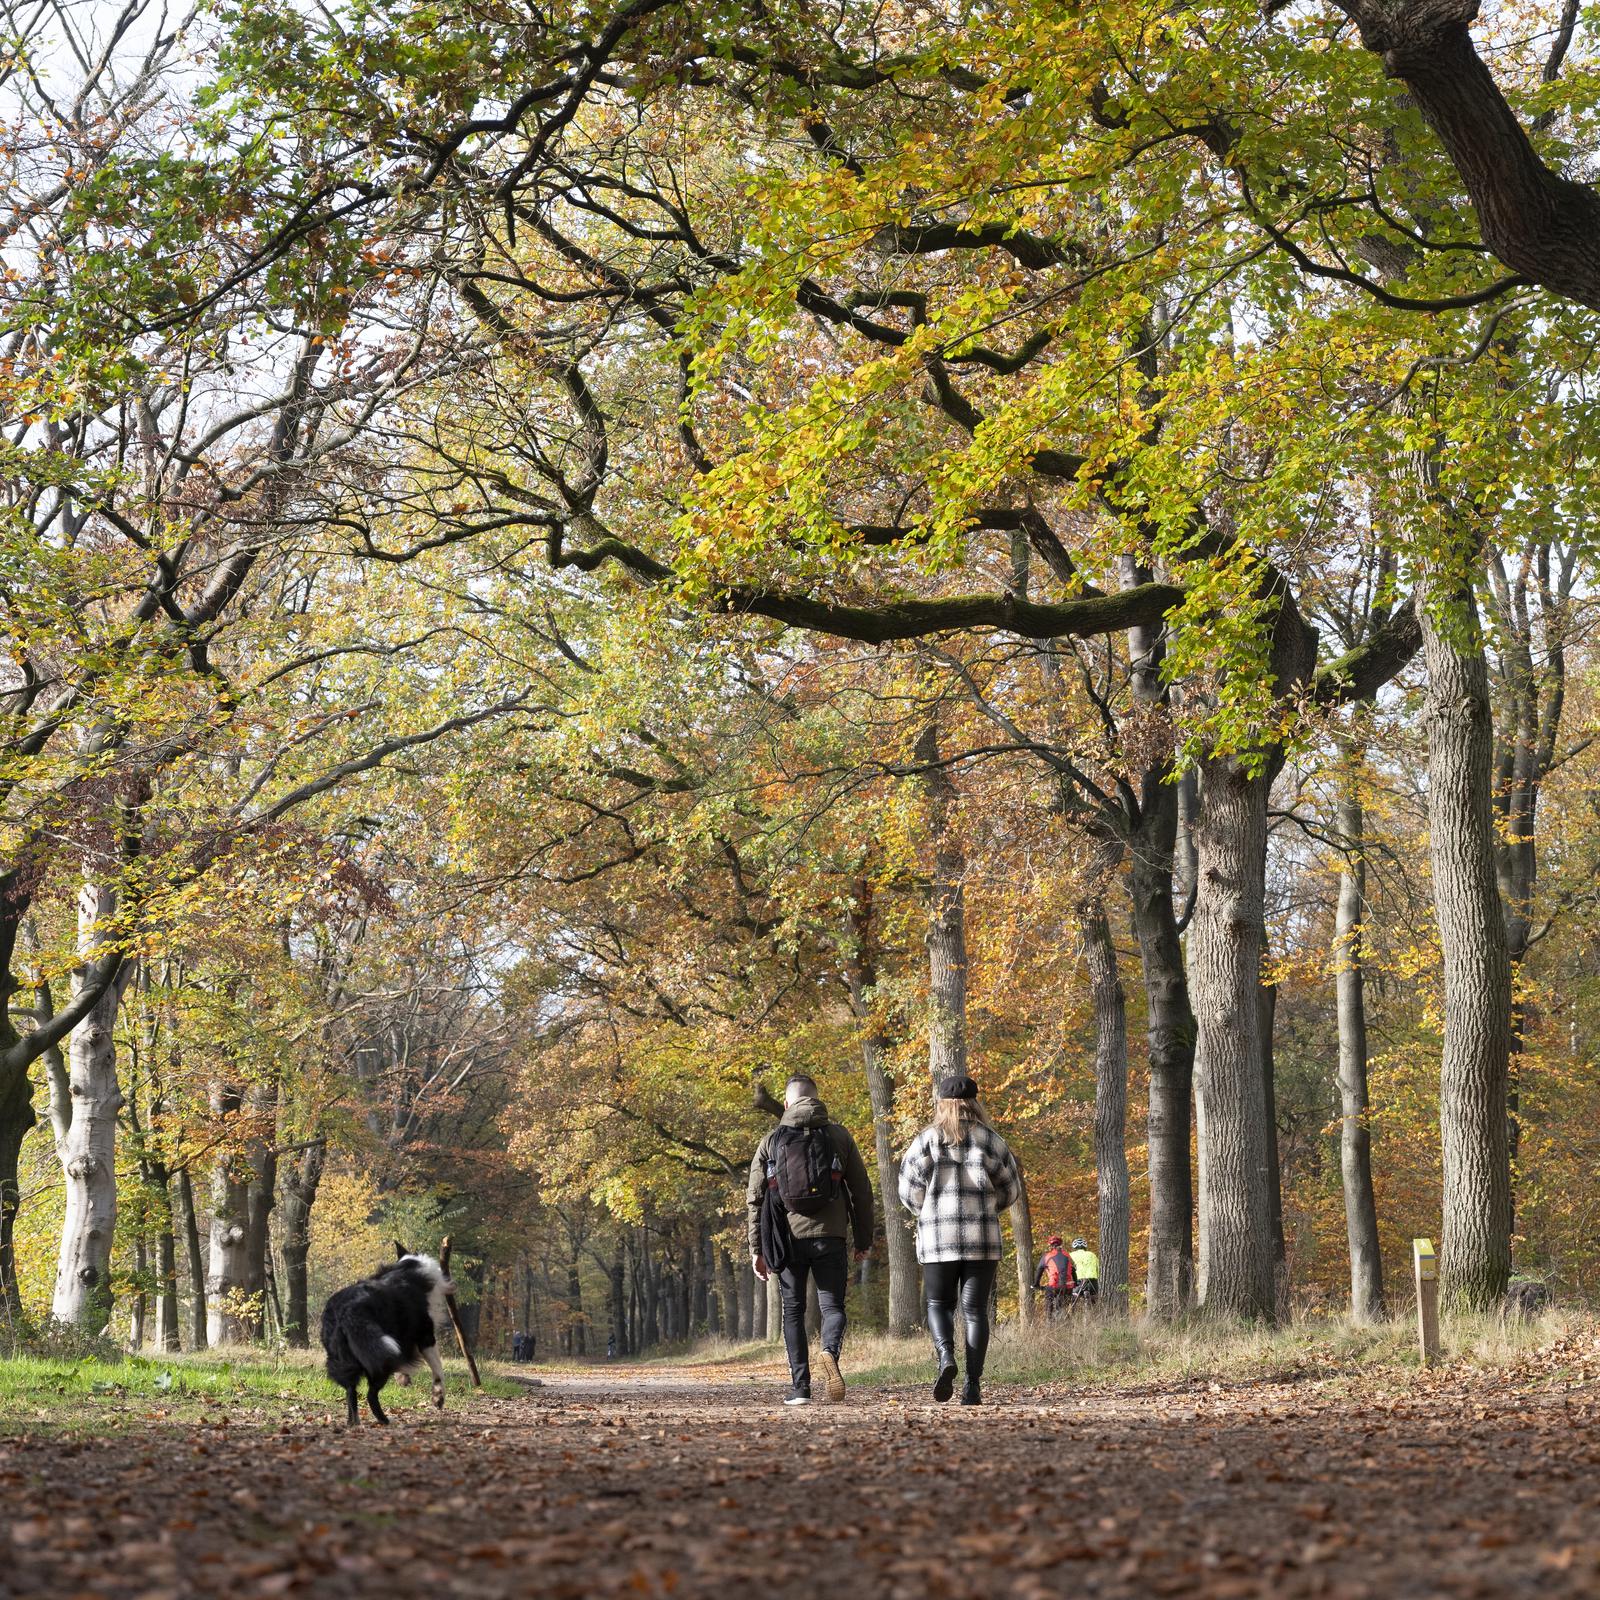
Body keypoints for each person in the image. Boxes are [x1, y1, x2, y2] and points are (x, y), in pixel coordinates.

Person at [746, 1074, 875, 1407]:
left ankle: (800, 1388)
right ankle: (829, 1351)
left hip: (786, 1238)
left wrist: (756, 1249)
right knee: (832, 1306)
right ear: (817, 1100)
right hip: (830, 1235)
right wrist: (863, 1239)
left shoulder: (771, 1141)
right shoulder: (839, 1136)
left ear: (786, 1104)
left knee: (793, 1311)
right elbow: (861, 1191)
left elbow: (755, 1199)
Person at [898, 1074, 1023, 1406]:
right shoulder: (991, 1140)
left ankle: (944, 1357)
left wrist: (929, 1211)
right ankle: (972, 1386)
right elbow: (1011, 1189)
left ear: (941, 1104)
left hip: (938, 1238)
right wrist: (986, 1207)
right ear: (975, 1103)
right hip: (982, 1238)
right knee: (975, 1311)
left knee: (938, 1305)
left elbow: (908, 1192)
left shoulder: (926, 1140)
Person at [1034, 1235, 1076, 1320]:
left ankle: (1049, 1320)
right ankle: (1067, 1321)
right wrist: (1076, 1282)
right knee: (1065, 1305)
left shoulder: (1047, 1256)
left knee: (1049, 1303)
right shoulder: (1067, 1255)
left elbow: (1039, 1270)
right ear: (1060, 1244)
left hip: (1054, 1285)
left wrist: (1036, 1284)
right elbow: (1073, 1270)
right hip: (1068, 1285)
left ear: (1050, 1246)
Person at [1069, 1237, 1100, 1301]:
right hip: (1093, 1282)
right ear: (1085, 1247)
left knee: (1071, 1299)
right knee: (1094, 1300)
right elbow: (1099, 1269)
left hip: (1078, 1283)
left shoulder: (1070, 1255)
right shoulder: (1093, 1255)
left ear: (1074, 1248)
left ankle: (1074, 1310)